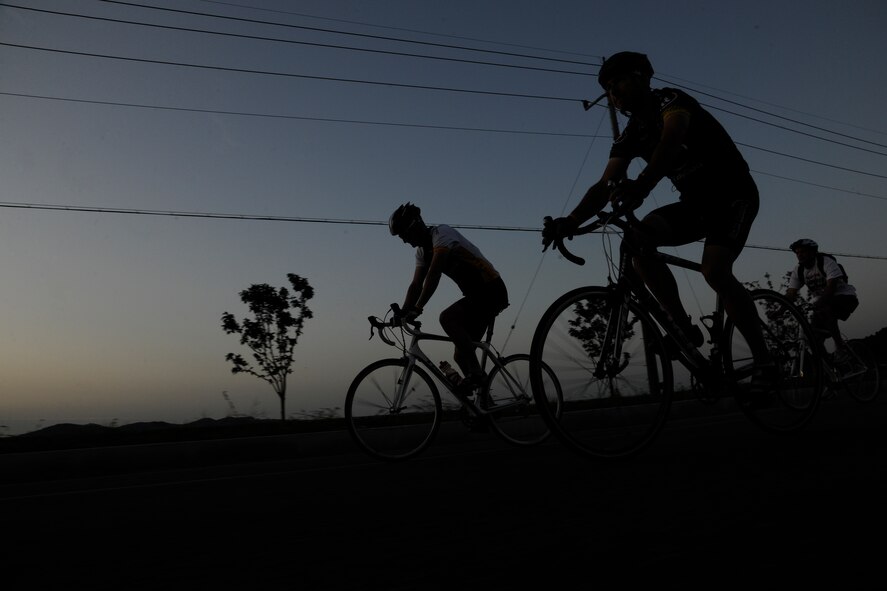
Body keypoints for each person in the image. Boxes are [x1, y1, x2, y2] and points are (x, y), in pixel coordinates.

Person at [542, 51, 776, 392]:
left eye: (617, 82)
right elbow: (604, 184)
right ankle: (683, 328)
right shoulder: (630, 134)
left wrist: (642, 185)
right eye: (607, 88)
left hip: (733, 195)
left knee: (715, 271)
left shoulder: (671, 101)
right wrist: (571, 220)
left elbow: (671, 140)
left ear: (641, 77)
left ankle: (765, 361)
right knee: (637, 243)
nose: (613, 93)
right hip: (695, 205)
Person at [389, 202, 509, 395]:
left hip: (491, 289)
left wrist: (418, 308)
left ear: (415, 226)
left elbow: (434, 273)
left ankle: (477, 374)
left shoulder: (442, 234)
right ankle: (485, 405)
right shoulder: (421, 252)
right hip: (475, 296)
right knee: (461, 356)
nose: (403, 241)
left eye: (404, 235)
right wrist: (403, 312)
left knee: (447, 318)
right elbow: (415, 285)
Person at [785, 238, 858, 358]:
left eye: (803, 251)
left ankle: (840, 347)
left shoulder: (825, 261)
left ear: (813, 252)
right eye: (797, 253)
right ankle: (829, 366)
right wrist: (780, 310)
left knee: (826, 307)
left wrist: (818, 303)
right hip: (823, 303)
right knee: (813, 338)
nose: (799, 255)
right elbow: (791, 294)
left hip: (845, 298)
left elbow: (831, 287)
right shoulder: (799, 270)